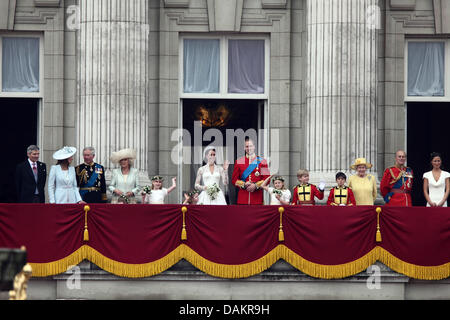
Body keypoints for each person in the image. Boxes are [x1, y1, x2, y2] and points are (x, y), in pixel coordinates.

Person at [231, 137, 270, 205]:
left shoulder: (262, 161)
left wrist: (255, 185)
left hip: (257, 199)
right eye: (247, 146)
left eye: (250, 146)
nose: (249, 148)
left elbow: (267, 179)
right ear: (244, 148)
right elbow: (234, 180)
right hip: (243, 199)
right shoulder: (239, 161)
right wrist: (243, 184)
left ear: (254, 147)